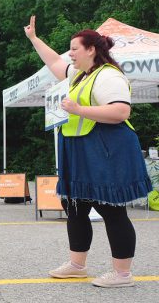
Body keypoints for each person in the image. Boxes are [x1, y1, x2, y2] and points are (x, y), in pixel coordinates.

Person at [24, 15, 152, 288]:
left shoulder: (108, 75)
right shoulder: (81, 75)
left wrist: (79, 110)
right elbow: (55, 63)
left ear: (91, 50)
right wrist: (34, 39)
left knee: (111, 209)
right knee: (74, 206)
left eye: (74, 49)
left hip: (107, 147)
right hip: (81, 148)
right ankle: (77, 264)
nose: (69, 54)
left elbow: (120, 111)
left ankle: (122, 274)